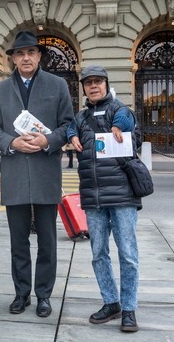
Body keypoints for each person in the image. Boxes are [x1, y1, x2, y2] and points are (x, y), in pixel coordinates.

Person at [0, 30, 74, 318]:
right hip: (15, 174)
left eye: (31, 52)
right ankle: (21, 293)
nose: (25, 57)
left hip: (46, 172)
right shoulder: (0, 90)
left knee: (47, 240)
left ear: (39, 56)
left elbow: (68, 125)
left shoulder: (57, 85)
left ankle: (44, 295)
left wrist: (48, 141)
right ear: (12, 59)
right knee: (18, 241)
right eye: (20, 53)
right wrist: (11, 142)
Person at [67, 65, 141, 333]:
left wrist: (117, 127)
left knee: (128, 254)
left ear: (106, 84)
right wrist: (71, 135)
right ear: (84, 88)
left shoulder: (118, 109)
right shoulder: (81, 117)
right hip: (93, 196)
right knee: (99, 254)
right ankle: (111, 302)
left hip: (122, 196)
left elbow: (127, 120)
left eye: (98, 82)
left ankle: (129, 308)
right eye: (89, 83)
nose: (93, 86)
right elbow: (68, 129)